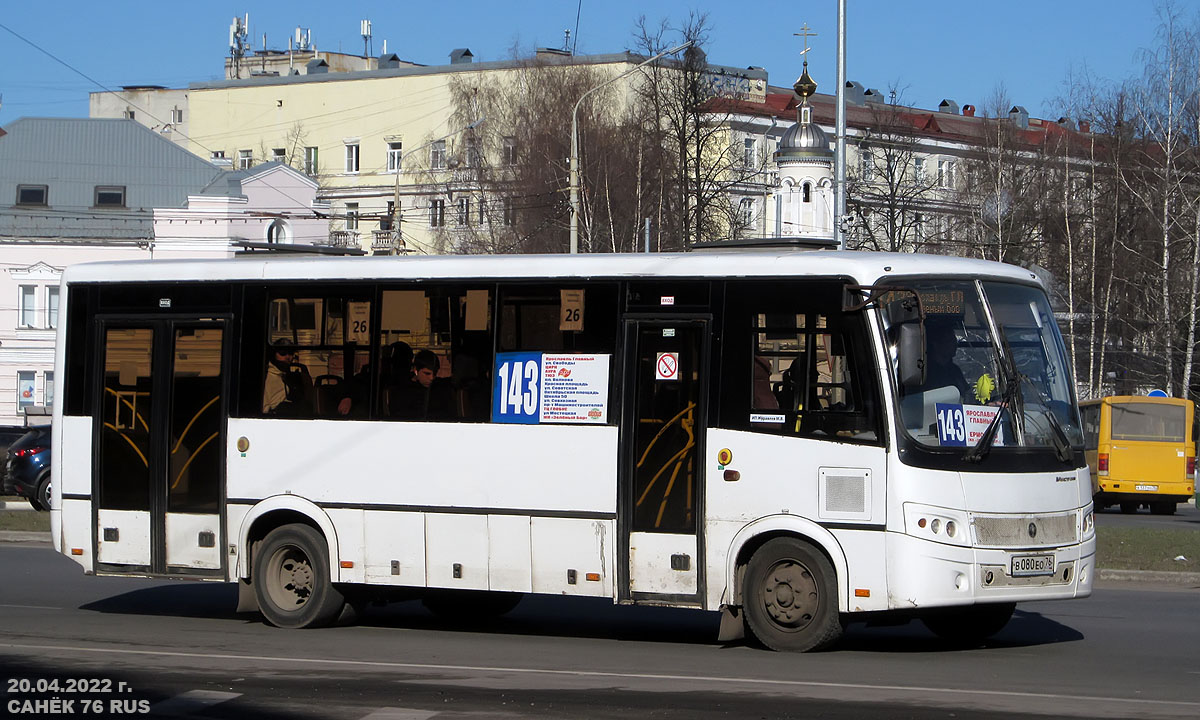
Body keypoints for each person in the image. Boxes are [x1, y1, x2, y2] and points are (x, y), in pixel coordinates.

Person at [394, 349, 456, 421]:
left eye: (435, 374)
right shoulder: (403, 391)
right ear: (416, 370)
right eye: (427, 373)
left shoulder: (440, 388)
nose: (431, 378)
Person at [921, 321, 970, 402]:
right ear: (936, 344)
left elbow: (966, 396)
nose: (954, 345)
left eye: (955, 341)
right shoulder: (925, 372)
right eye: (949, 341)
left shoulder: (955, 370)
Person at [263, 341, 312, 416]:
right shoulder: (267, 377)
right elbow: (264, 409)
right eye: (283, 353)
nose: (288, 357)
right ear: (273, 355)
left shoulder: (289, 377)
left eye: (291, 353)